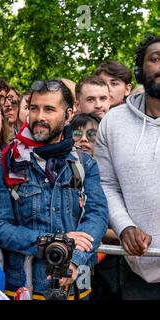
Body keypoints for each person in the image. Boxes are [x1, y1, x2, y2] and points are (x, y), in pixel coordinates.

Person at [0, 79, 108, 300]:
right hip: (23, 288)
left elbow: (97, 215)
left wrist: (75, 258)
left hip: (77, 287)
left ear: (69, 114)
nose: (39, 116)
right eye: (34, 108)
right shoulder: (3, 163)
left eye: (49, 109)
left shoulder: (84, 163)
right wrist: (51, 241)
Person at [94, 35, 160, 300]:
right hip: (138, 274)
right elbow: (106, 184)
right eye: (155, 59)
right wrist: (124, 227)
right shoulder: (112, 122)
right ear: (139, 70)